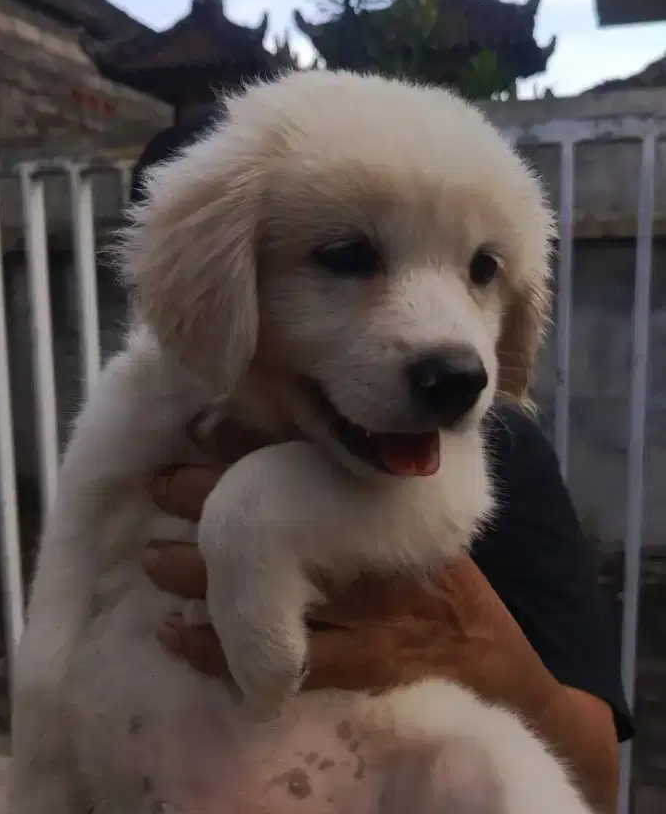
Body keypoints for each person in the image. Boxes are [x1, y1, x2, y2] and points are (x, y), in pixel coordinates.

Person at [130, 110, 632, 814]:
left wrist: (477, 653)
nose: (452, 344)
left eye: (482, 269)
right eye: (348, 256)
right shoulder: (141, 409)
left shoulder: (496, 458)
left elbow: (597, 778)